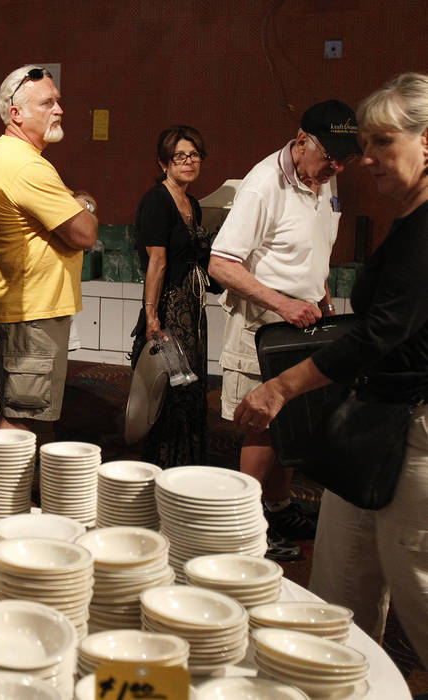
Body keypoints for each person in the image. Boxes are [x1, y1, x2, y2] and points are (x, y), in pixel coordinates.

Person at [234, 72, 428, 665]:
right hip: (373, 424)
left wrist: (282, 388)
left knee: (418, 592)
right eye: (359, 146)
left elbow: (379, 333)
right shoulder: (406, 218)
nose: (365, 160)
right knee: (338, 597)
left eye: (381, 145)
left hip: (413, 432)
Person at [208, 100, 360, 560]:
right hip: (264, 322)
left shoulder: (325, 181)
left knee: (294, 424)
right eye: (329, 155)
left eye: (344, 158)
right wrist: (283, 303)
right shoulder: (262, 186)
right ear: (300, 142)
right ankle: (244, 525)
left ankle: (277, 506)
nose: (335, 166)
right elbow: (221, 264)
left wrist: (323, 298)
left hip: (306, 316)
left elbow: (315, 251)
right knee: (263, 424)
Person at [0, 65, 98, 441]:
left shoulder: (3, 154)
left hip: (25, 305)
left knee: (21, 408)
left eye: (58, 101)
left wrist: (74, 205)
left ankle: (7, 496)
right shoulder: (26, 166)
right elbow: (84, 233)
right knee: (22, 418)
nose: (59, 110)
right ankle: (3, 499)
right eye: (47, 103)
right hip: (33, 309)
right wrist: (86, 205)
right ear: (17, 114)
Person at [130, 126, 214, 467]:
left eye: (194, 155)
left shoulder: (192, 202)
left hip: (192, 308)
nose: (188, 161)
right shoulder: (156, 200)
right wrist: (152, 316)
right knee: (168, 388)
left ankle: (187, 462)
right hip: (168, 306)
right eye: (180, 155)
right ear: (164, 162)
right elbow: (157, 262)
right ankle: (163, 465)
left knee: (191, 385)